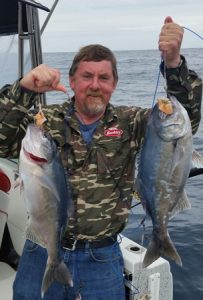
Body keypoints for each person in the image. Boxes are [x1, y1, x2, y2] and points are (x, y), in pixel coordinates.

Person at [0, 16, 202, 300]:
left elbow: (184, 127)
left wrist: (173, 64)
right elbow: (1, 140)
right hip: (42, 251)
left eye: (104, 77)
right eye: (87, 76)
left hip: (102, 259)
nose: (95, 85)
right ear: (72, 81)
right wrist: (24, 88)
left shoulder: (133, 122)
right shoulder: (45, 123)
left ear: (115, 84)